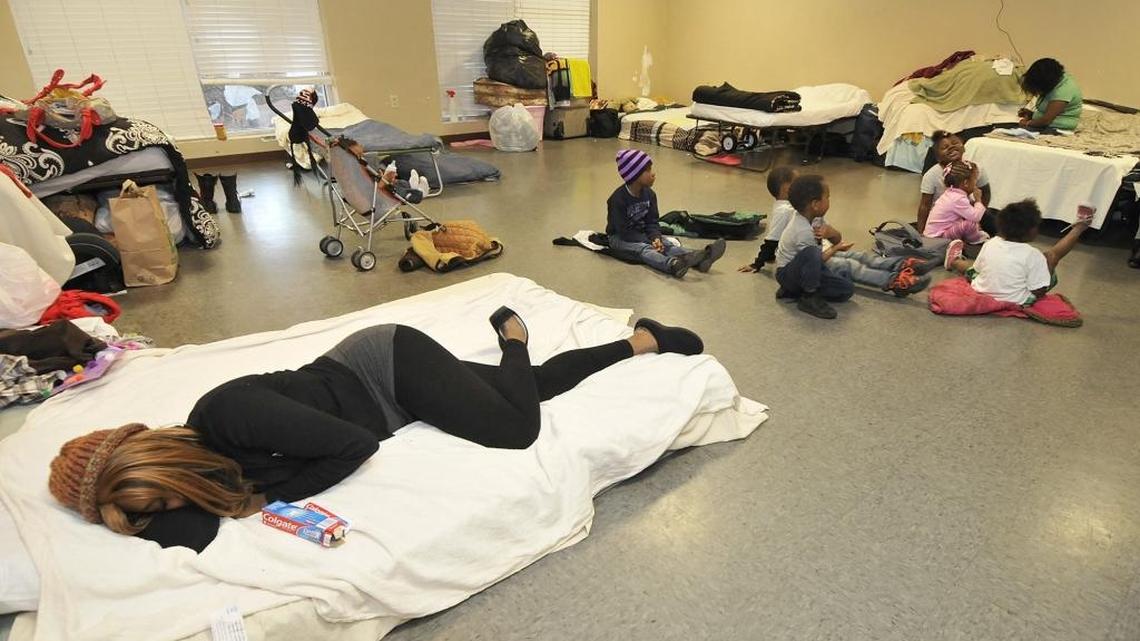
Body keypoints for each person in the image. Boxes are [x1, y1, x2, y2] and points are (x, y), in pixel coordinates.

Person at [47, 310, 706, 552]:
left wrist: (271, 499)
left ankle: (513, 335)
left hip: (382, 366)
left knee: (514, 427)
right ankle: (641, 340)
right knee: (529, 391)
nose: (168, 515)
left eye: (155, 502)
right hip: (386, 402)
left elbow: (352, 445)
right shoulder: (198, 485)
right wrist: (129, 517)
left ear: (158, 470)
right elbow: (188, 533)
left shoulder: (223, 415)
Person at [774, 175, 932, 319]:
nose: (829, 200)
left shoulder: (815, 218)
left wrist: (831, 233)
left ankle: (900, 264)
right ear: (815, 204)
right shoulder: (801, 230)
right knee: (849, 265)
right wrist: (835, 250)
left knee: (851, 275)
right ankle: (895, 282)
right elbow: (816, 259)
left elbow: (836, 240)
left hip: (813, 266)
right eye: (827, 197)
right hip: (792, 273)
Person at [944, 200, 1092, 305]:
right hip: (1017, 300)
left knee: (972, 271)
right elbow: (1038, 290)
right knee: (1051, 256)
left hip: (981, 290)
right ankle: (1080, 227)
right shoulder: (1033, 255)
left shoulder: (991, 243)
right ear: (1032, 231)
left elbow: (977, 270)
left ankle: (954, 261)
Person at [607, 149, 725, 278]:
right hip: (620, 239)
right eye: (648, 171)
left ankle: (698, 257)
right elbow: (624, 232)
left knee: (666, 244)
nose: (653, 174)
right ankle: (672, 265)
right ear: (634, 175)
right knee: (645, 249)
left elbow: (652, 222)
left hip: (642, 234)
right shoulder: (617, 200)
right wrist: (649, 241)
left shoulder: (650, 195)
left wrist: (656, 237)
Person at [916, 131, 991, 232]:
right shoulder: (931, 175)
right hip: (944, 219)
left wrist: (981, 209)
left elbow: (986, 192)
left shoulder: (976, 168)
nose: (951, 147)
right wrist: (921, 233)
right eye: (944, 147)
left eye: (955, 143)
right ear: (938, 157)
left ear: (964, 147)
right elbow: (925, 205)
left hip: (968, 211)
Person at [739, 165, 797, 272]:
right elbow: (772, 239)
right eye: (797, 183)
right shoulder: (785, 211)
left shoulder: (787, 206)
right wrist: (757, 264)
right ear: (786, 189)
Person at [924, 160, 989, 245]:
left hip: (931, 236)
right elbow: (976, 217)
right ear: (966, 183)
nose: (975, 184)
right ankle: (975, 240)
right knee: (970, 223)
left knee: (967, 218)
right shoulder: (957, 199)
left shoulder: (950, 193)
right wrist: (978, 200)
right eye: (974, 180)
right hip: (938, 239)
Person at [1018, 58, 1083, 130]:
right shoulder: (1057, 81)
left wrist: (1027, 123)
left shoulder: (1063, 91)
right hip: (1045, 123)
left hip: (1057, 127)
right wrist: (1030, 114)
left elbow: (1046, 121)